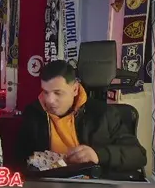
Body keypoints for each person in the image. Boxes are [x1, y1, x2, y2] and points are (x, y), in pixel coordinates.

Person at [17, 60, 147, 176]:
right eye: (45, 92)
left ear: (74, 89)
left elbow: (138, 155)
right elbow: (19, 159)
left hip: (92, 187)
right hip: (49, 187)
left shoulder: (104, 114)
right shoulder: (34, 113)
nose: (49, 100)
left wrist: (98, 155)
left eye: (57, 93)